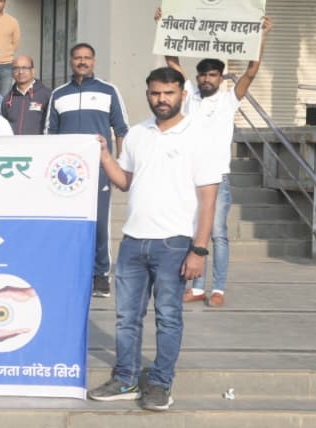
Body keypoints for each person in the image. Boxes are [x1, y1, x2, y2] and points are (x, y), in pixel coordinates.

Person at [86, 67, 221, 412]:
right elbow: (125, 181)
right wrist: (104, 156)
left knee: (168, 316)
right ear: (147, 94)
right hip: (133, 240)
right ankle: (125, 379)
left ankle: (160, 384)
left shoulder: (200, 135)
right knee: (126, 318)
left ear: (182, 95)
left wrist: (199, 250)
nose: (162, 99)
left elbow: (208, 199)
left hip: (174, 243)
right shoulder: (137, 134)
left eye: (168, 93)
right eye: (155, 93)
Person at [163, 14, 272, 307]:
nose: (206, 79)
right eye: (203, 75)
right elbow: (172, 62)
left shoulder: (228, 99)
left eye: (212, 75)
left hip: (217, 177)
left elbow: (252, 70)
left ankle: (218, 289)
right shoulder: (189, 96)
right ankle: (197, 287)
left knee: (218, 234)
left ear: (220, 78)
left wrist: (261, 34)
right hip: (189, 176)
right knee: (194, 232)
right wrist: (163, 25)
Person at [46, 43, 130, 299]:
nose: (82, 62)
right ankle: (70, 271)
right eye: (77, 58)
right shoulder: (59, 94)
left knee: (100, 223)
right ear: (71, 61)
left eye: (87, 58)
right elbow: (50, 134)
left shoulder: (108, 91)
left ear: (94, 61)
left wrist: (119, 165)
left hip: (100, 170)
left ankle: (100, 275)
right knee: (68, 222)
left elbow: (122, 130)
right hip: (65, 173)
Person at [1, 55, 51, 135]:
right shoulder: (7, 99)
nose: (20, 72)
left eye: (25, 68)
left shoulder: (47, 96)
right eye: (16, 68)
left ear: (33, 71)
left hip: (37, 142)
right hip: (13, 142)